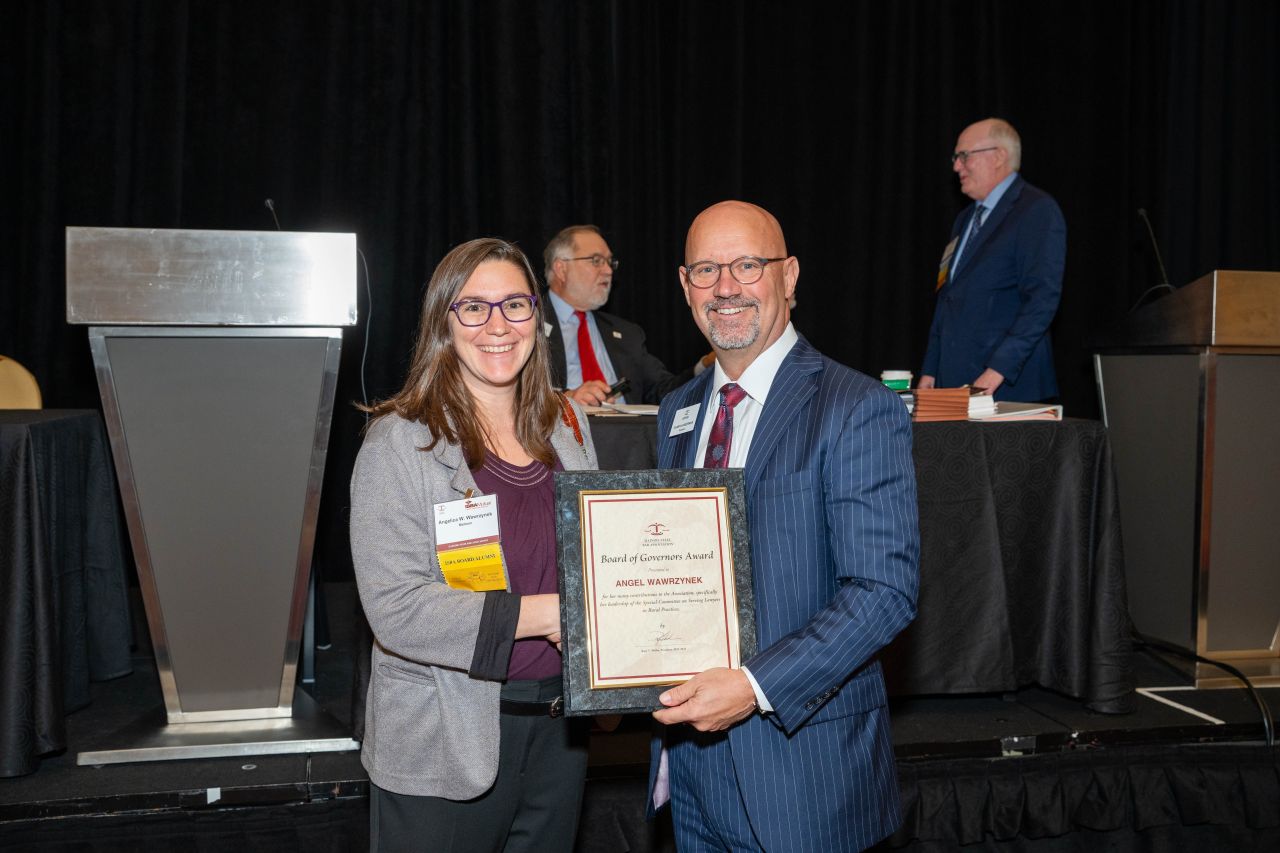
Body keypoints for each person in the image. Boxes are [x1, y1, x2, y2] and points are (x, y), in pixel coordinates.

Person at [650, 201, 920, 851]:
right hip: (689, 769)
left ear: (789, 276)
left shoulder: (857, 408)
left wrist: (752, 685)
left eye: (748, 264)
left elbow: (885, 591)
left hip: (802, 777)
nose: (727, 287)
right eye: (707, 269)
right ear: (686, 287)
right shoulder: (678, 410)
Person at [350, 238, 597, 852]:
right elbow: (397, 608)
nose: (496, 325)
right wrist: (551, 615)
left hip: (559, 731)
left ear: (537, 317)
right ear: (444, 322)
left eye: (514, 305)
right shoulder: (399, 443)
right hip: (445, 739)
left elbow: (598, 560)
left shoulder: (569, 425)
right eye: (473, 308)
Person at [919, 118, 1067, 401]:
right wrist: (931, 368)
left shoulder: (1036, 210)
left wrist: (997, 370)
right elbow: (946, 297)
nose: (956, 167)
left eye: (964, 156)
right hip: (955, 384)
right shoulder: (964, 221)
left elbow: (1041, 299)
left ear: (999, 156)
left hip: (1008, 387)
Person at [542, 224, 702, 406]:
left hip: (626, 432)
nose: (608, 271)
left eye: (609, 262)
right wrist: (565, 401)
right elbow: (514, 393)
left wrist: (705, 366)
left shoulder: (627, 334)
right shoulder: (528, 325)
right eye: (596, 260)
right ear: (561, 269)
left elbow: (665, 391)